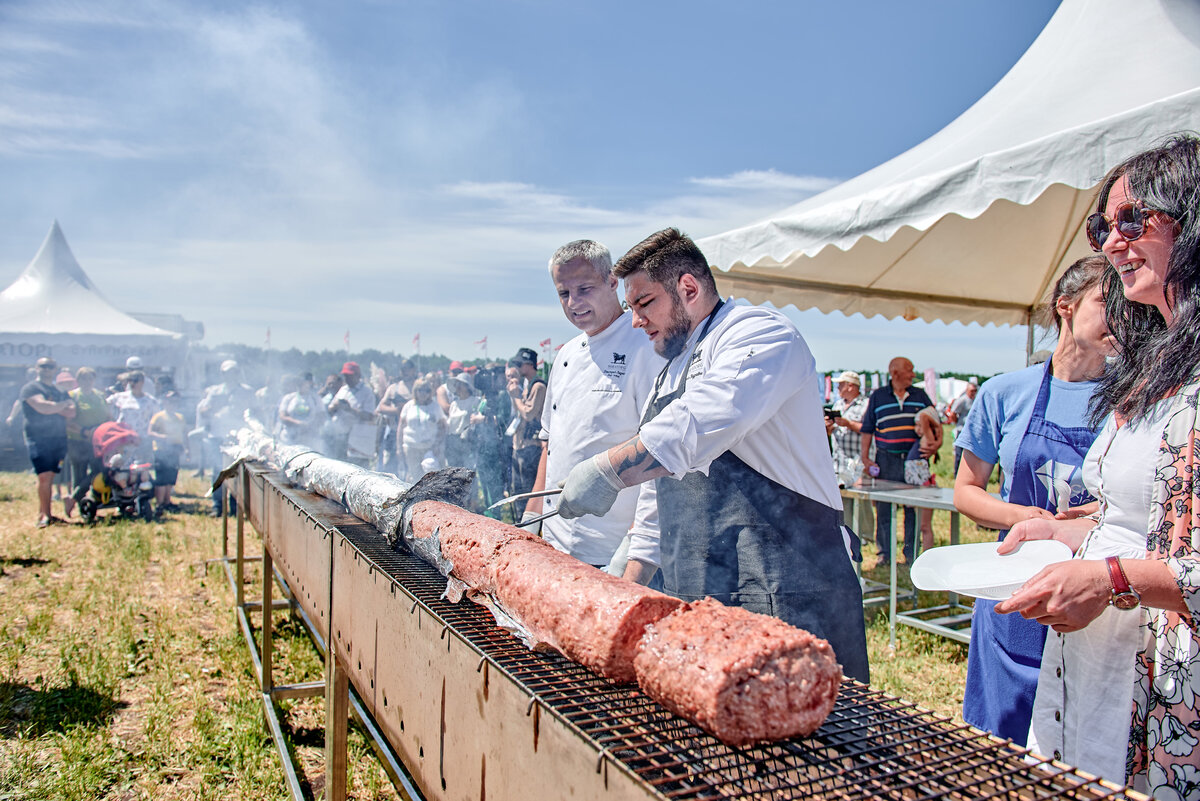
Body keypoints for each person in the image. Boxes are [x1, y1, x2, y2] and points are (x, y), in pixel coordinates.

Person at [556, 228, 869, 682]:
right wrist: (624, 582)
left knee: (816, 736)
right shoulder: (668, 375)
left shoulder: (760, 334)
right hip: (706, 598)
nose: (636, 321)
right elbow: (655, 503)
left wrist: (607, 470)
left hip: (794, 588)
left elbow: (702, 422)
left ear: (688, 288)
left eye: (645, 304)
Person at [993, 135, 1200, 799]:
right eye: (1102, 226)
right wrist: (1064, 529)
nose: (1113, 242)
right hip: (1103, 661)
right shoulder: (1155, 364)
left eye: (1134, 220)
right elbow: (1139, 512)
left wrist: (1109, 577)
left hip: (1172, 686)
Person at [953, 255, 1112, 747]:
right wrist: (1026, 517)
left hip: (1096, 587)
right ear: (1065, 306)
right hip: (1014, 583)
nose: (1124, 316)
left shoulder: (1131, 398)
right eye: (1109, 302)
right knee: (1002, 739)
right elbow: (966, 491)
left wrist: (1076, 522)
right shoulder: (1004, 393)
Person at [524, 240, 664, 571]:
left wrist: (633, 552)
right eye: (564, 293)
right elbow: (551, 445)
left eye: (584, 288)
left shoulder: (647, 346)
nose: (574, 302)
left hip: (611, 552)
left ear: (612, 282)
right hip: (553, 544)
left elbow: (663, 454)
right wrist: (531, 520)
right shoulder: (566, 355)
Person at [860, 357, 935, 566]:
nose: (913, 374)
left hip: (914, 460)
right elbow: (867, 429)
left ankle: (911, 554)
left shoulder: (920, 395)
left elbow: (936, 421)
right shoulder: (878, 396)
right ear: (895, 373)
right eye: (909, 370)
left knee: (913, 507)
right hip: (886, 459)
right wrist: (865, 458)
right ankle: (885, 554)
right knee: (884, 508)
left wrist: (936, 445)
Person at [20, 357, 75, 527]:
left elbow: (71, 412)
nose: (47, 369)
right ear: (36, 368)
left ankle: (46, 512)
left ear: (55, 369)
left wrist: (54, 407)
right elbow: (42, 408)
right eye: (43, 366)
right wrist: (61, 405)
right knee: (44, 476)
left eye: (50, 366)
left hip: (58, 438)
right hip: (38, 438)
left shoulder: (60, 390)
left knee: (51, 476)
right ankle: (44, 516)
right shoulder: (30, 388)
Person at [64, 367, 110, 518]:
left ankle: (76, 498)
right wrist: (84, 431)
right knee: (79, 474)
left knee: (100, 470)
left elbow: (108, 417)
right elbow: (67, 421)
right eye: (83, 379)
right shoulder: (72, 396)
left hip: (97, 442)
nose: (87, 382)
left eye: (90, 378)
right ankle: (83, 509)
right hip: (78, 441)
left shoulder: (100, 396)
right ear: (78, 381)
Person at [506, 348, 546, 518]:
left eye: (520, 364)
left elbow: (528, 414)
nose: (518, 368)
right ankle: (520, 520)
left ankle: (530, 523)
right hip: (521, 443)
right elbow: (518, 412)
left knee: (528, 490)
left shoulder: (538, 386)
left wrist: (515, 397)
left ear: (529, 365)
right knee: (518, 489)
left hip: (532, 446)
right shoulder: (527, 386)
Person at [326, 361, 377, 466]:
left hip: (357, 438)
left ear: (358, 375)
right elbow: (330, 408)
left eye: (349, 376)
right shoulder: (343, 390)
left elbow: (369, 416)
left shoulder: (366, 392)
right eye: (345, 376)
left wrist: (350, 410)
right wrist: (335, 406)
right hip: (340, 436)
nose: (347, 378)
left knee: (357, 469)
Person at [107, 370, 160, 465]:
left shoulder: (151, 401)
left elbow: (157, 420)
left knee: (140, 469)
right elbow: (105, 405)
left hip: (142, 441)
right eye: (130, 380)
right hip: (123, 440)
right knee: (122, 469)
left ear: (142, 382)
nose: (132, 383)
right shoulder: (120, 397)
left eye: (135, 380)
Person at [397, 378, 446, 481]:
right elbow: (401, 427)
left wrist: (437, 445)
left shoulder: (435, 407)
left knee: (431, 476)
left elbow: (442, 427)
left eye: (427, 390)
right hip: (411, 447)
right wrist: (399, 448)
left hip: (429, 448)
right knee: (415, 478)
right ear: (415, 391)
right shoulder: (409, 406)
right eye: (420, 390)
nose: (423, 393)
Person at [826, 370, 868, 483]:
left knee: (861, 499)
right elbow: (830, 432)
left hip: (858, 464)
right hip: (839, 464)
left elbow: (870, 431)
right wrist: (828, 426)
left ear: (850, 386)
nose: (838, 388)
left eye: (840, 384)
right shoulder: (838, 404)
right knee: (841, 500)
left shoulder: (866, 404)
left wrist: (849, 424)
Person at [148, 391, 187, 510]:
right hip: (162, 450)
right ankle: (160, 503)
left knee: (171, 476)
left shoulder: (180, 417)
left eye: (175, 401)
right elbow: (150, 432)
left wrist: (187, 449)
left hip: (175, 449)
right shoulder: (158, 416)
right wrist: (162, 438)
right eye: (170, 401)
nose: (172, 404)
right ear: (164, 402)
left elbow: (184, 434)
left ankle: (167, 501)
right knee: (161, 477)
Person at [277, 372, 324, 448]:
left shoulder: (316, 399)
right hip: (290, 438)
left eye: (303, 382)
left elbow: (321, 416)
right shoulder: (288, 398)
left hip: (310, 439)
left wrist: (310, 426)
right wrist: (298, 423)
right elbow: (282, 416)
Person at [947, 380, 978, 473]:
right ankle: (957, 473)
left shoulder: (975, 400)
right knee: (959, 454)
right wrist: (958, 423)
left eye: (975, 391)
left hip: (972, 431)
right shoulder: (962, 400)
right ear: (967, 390)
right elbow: (952, 414)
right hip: (962, 430)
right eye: (972, 391)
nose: (973, 393)